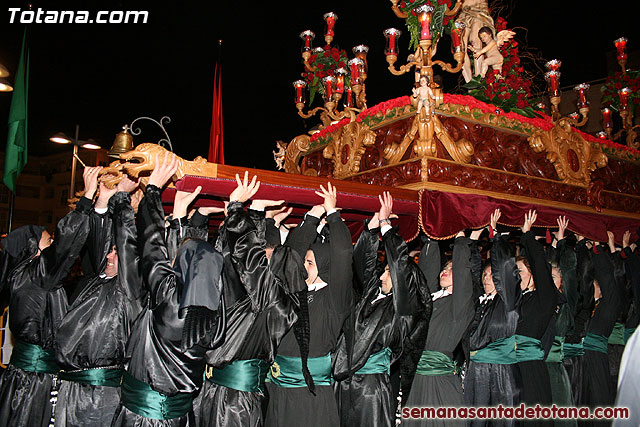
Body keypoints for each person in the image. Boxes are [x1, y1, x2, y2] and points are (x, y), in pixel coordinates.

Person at [111, 153, 225, 426]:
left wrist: (152, 191)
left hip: (143, 418)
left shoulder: (169, 301)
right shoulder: (214, 316)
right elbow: (189, 269)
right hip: (179, 417)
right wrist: (180, 216)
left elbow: (152, 246)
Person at [195, 173, 308, 427]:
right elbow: (235, 264)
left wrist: (236, 209)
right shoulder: (267, 299)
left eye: (266, 257)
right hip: (219, 394)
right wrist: (255, 210)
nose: (260, 256)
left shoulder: (274, 299)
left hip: (236, 403)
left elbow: (248, 261)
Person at [0, 166, 96, 427]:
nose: (53, 243)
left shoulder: (21, 275)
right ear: (32, 250)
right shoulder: (36, 275)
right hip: (35, 383)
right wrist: (86, 200)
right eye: (47, 240)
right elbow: (65, 245)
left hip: (23, 376)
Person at [53, 175, 145, 426]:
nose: (113, 255)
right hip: (70, 389)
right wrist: (103, 200)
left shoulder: (130, 289)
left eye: (119, 252)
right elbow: (100, 242)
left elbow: (127, 246)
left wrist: (126, 201)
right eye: (110, 252)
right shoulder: (91, 280)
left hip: (102, 393)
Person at [333, 192, 431, 427]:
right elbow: (362, 265)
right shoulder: (372, 296)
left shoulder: (403, 309)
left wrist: (387, 227)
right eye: (384, 270)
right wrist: (372, 227)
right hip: (344, 380)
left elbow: (401, 268)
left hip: (370, 388)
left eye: (388, 271)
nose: (384, 274)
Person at [265, 182, 354, 427]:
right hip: (280, 391)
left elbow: (344, 255)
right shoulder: (293, 292)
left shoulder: (334, 299)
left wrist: (333, 215)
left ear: (325, 269)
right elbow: (288, 260)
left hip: (310, 396)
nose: (303, 266)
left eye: (310, 263)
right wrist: (312, 218)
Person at [403, 226, 478, 427]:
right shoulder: (433, 300)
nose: (445, 271)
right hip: (417, 380)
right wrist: (431, 238)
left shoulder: (460, 305)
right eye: (445, 268)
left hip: (439, 383)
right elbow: (426, 274)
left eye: (451, 269)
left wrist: (461, 239)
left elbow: (463, 272)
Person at [464, 209, 521, 427]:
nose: (487, 278)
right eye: (485, 275)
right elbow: (471, 274)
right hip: (475, 371)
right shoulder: (481, 301)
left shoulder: (508, 301)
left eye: (491, 274)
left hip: (500, 374)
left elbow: (506, 269)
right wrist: (472, 242)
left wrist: (496, 236)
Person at [514, 210, 558, 410]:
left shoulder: (544, 299)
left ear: (532, 275)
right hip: (509, 368)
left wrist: (528, 236)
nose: (515, 276)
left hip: (531, 372)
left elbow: (540, 265)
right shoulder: (516, 300)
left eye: (520, 272)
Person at [578, 233, 622, 425]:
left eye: (595, 284)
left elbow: (608, 279)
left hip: (597, 361)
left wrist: (597, 248)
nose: (592, 286)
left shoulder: (609, 306)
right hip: (579, 364)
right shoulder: (587, 307)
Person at [545, 216, 577, 427]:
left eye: (555, 277)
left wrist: (562, 241)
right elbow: (544, 270)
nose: (550, 280)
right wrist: (553, 245)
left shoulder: (567, 304)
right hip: (534, 367)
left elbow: (571, 271)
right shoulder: (540, 302)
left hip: (555, 372)